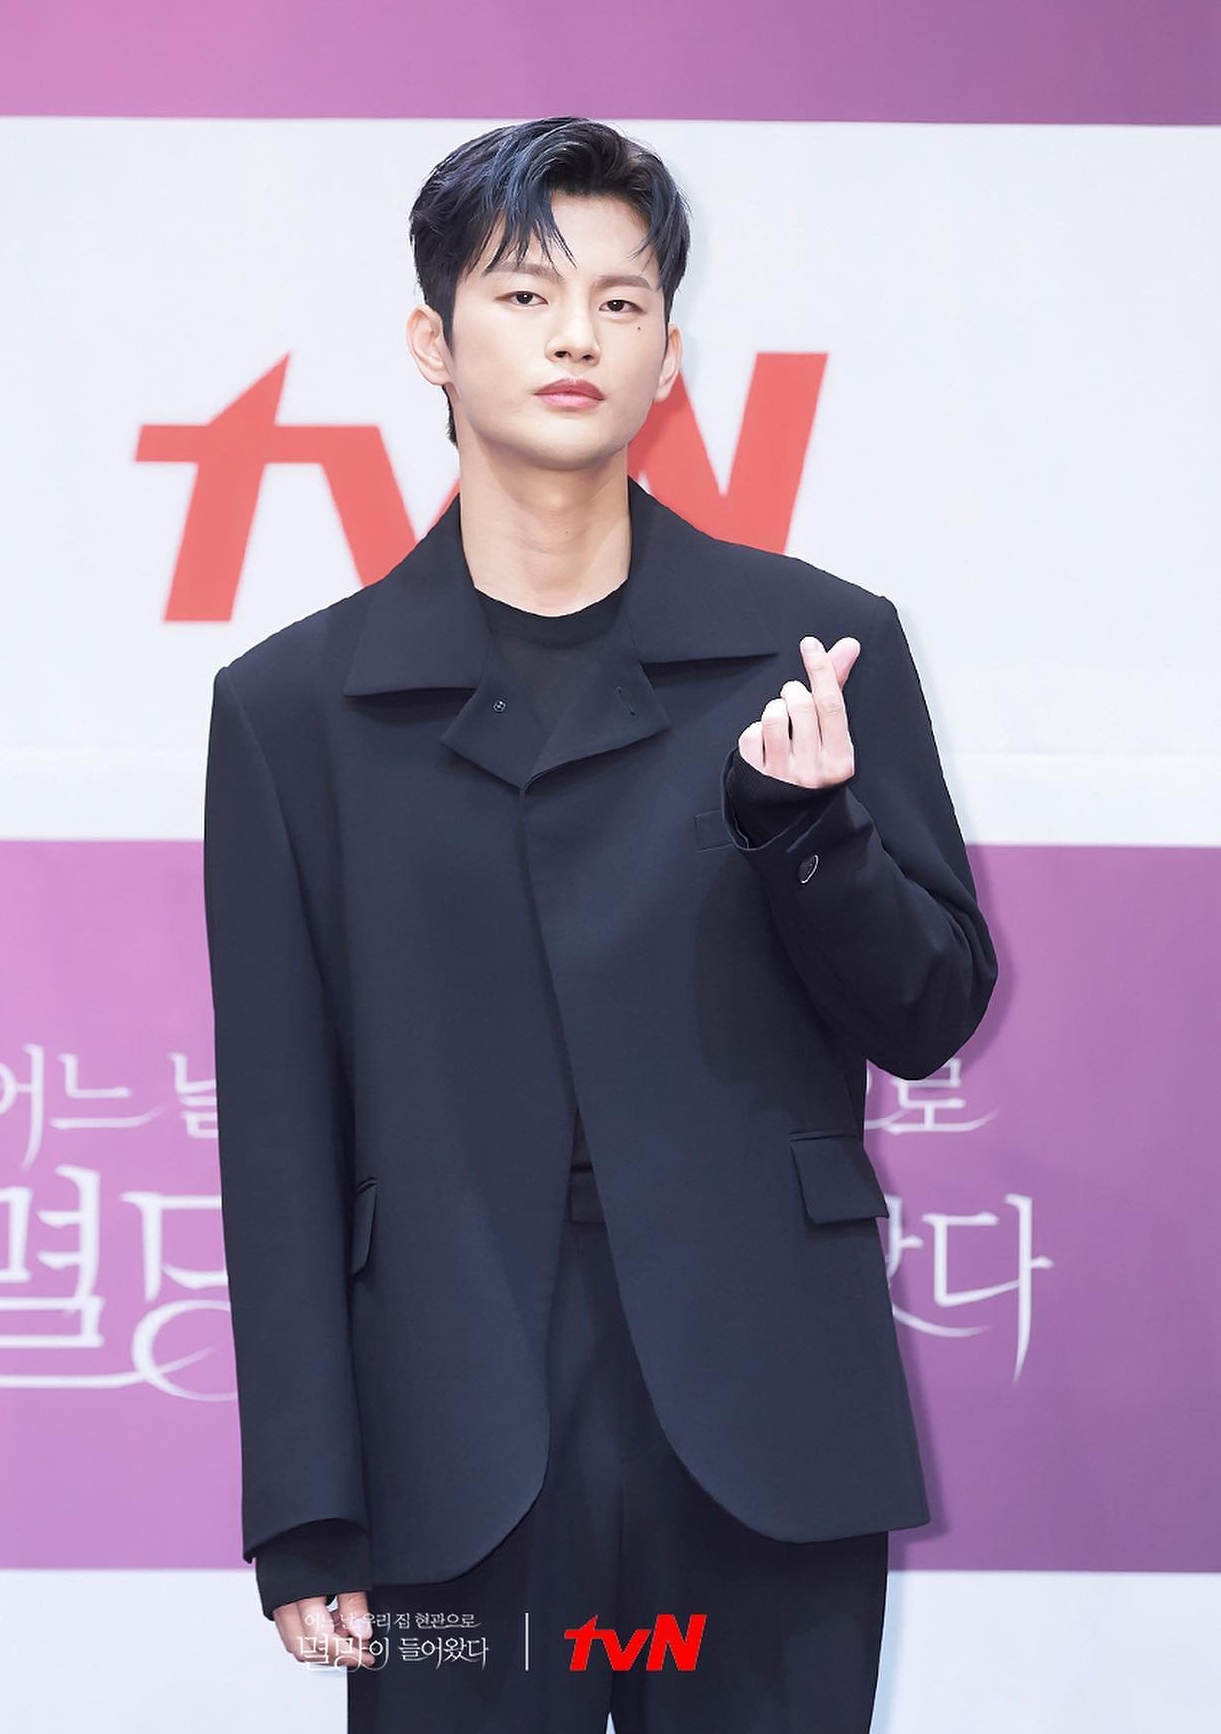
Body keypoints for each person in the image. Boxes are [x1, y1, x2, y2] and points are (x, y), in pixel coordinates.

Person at [202, 115, 998, 1731]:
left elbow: (929, 1014)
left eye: (621, 303)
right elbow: (280, 1138)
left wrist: (810, 834)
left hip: (766, 1418)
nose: (577, 335)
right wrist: (306, 1505)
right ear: (433, 339)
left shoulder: (815, 649)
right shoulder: (295, 708)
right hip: (450, 1442)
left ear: (668, 357)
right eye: (525, 294)